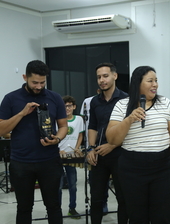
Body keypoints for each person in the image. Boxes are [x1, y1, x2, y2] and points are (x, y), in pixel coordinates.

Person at [106, 66, 170, 223]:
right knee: (137, 216)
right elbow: (112, 139)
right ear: (137, 83)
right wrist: (129, 119)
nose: (155, 85)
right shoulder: (122, 105)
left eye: (156, 81)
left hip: (163, 167)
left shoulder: (165, 103)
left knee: (163, 216)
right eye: (150, 81)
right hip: (132, 168)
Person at [0, 60, 68, 224]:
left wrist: (57, 139)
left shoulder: (55, 98)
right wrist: (22, 113)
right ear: (25, 77)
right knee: (24, 208)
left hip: (49, 161)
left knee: (54, 206)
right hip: (21, 163)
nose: (38, 86)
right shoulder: (11, 99)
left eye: (42, 82)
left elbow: (63, 126)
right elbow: (1, 130)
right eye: (34, 82)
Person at [86, 62, 128, 224]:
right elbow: (93, 126)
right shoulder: (95, 101)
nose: (101, 80)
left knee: (123, 198)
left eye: (105, 76)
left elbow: (129, 129)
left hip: (119, 154)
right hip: (98, 156)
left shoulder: (126, 99)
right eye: (98, 77)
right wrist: (90, 148)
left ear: (114, 76)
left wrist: (112, 145)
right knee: (96, 198)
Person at [80, 89, 109, 215]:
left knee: (110, 183)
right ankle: (97, 205)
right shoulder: (89, 101)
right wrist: (90, 147)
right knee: (95, 183)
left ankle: (105, 203)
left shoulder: (123, 99)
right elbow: (89, 124)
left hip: (112, 147)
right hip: (93, 146)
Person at [59, 95, 84, 219]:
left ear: (74, 107)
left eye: (69, 106)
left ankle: (72, 208)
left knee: (73, 185)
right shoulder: (58, 119)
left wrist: (78, 147)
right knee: (57, 186)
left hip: (72, 156)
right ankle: (56, 210)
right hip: (59, 155)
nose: (67, 109)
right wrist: (58, 149)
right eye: (64, 106)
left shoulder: (79, 119)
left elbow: (80, 135)